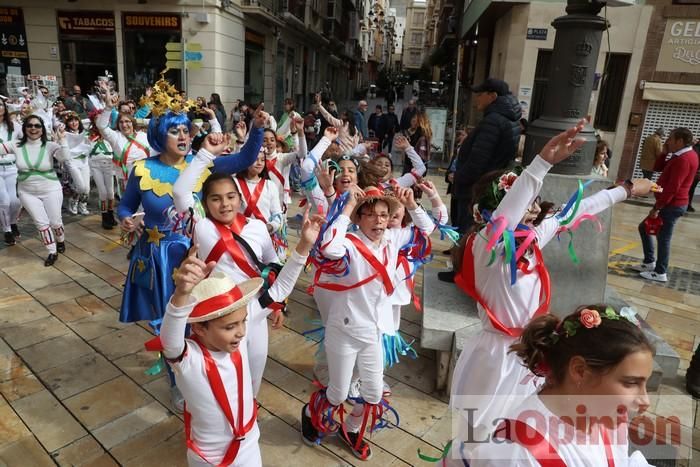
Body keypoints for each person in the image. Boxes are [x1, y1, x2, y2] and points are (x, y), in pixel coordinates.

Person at [447, 120, 654, 458]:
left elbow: (577, 211)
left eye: (534, 203)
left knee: (526, 429)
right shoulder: (487, 248)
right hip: (496, 359)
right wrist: (542, 162)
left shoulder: (529, 243)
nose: (532, 209)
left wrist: (627, 189)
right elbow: (505, 219)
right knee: (477, 440)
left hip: (529, 355)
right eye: (522, 202)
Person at [115, 80, 265, 411]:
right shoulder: (141, 169)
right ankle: (176, 380)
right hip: (156, 256)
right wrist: (125, 218)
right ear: (159, 136)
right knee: (167, 320)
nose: (183, 136)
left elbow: (245, 158)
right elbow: (125, 205)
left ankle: (200, 369)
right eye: (175, 132)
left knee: (198, 316)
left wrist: (256, 129)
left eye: (186, 129)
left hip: (193, 256)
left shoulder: (202, 164)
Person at [301, 186, 439, 460]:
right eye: (371, 215)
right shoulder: (349, 242)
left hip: (374, 332)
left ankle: (350, 429)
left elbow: (429, 230)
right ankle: (309, 414)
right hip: (345, 331)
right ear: (359, 219)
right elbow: (327, 247)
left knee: (374, 394)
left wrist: (412, 205)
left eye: (384, 215)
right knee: (338, 393)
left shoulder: (393, 238)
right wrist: (347, 209)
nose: (379, 220)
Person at [173, 159, 324, 396]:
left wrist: (278, 305)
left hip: (255, 309)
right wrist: (205, 154)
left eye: (231, 196)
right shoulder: (202, 227)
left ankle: (247, 418)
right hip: (220, 314)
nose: (224, 204)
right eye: (216, 198)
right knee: (221, 380)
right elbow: (180, 192)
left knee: (254, 377)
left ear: (240, 198)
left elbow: (274, 267)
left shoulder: (258, 228)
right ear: (205, 203)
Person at [466, 305, 654, 466]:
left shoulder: (604, 419)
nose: (645, 401)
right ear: (580, 370)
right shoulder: (518, 456)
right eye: (631, 383)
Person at [158, 252, 263, 466]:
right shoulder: (189, 359)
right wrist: (181, 295)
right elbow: (170, 343)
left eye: (243, 321)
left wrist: (304, 247)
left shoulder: (237, 341)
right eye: (230, 327)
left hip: (250, 445)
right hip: (210, 458)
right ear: (199, 328)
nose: (241, 332)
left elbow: (281, 290)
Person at [439, 78, 521, 282]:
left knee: (468, 228)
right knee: (473, 230)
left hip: (476, 186)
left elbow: (478, 159)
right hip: (488, 183)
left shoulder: (493, 121)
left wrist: (459, 177)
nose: (476, 98)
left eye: (480, 94)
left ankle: (460, 273)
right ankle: (462, 269)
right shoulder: (508, 119)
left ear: (492, 96)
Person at [0, 116, 70, 265]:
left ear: (42, 129)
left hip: (51, 189)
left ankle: (60, 240)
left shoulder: (50, 145)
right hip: (27, 192)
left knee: (55, 222)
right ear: (24, 128)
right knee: (41, 223)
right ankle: (52, 251)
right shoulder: (16, 144)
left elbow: (65, 158)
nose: (33, 128)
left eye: (37, 126)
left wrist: (63, 140)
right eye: (30, 125)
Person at [634, 127, 698, 283]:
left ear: (680, 141)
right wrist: (664, 151)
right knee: (645, 228)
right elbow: (658, 168)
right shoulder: (680, 155)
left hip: (672, 205)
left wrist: (657, 208)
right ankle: (650, 262)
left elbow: (673, 187)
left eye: (671, 138)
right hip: (671, 204)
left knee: (663, 238)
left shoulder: (684, 159)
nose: (668, 141)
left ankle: (660, 272)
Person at [0, 99, 21, 244]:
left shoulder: (14, 126)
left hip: (13, 167)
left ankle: (13, 221)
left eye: (0, 104)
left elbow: (26, 139)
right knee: (5, 201)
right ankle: (6, 229)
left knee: (16, 201)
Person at [63, 112, 92, 215]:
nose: (74, 123)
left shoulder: (85, 132)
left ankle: (82, 205)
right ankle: (73, 201)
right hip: (72, 161)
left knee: (87, 188)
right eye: (71, 121)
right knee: (80, 187)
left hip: (84, 161)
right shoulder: (64, 134)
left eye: (75, 120)